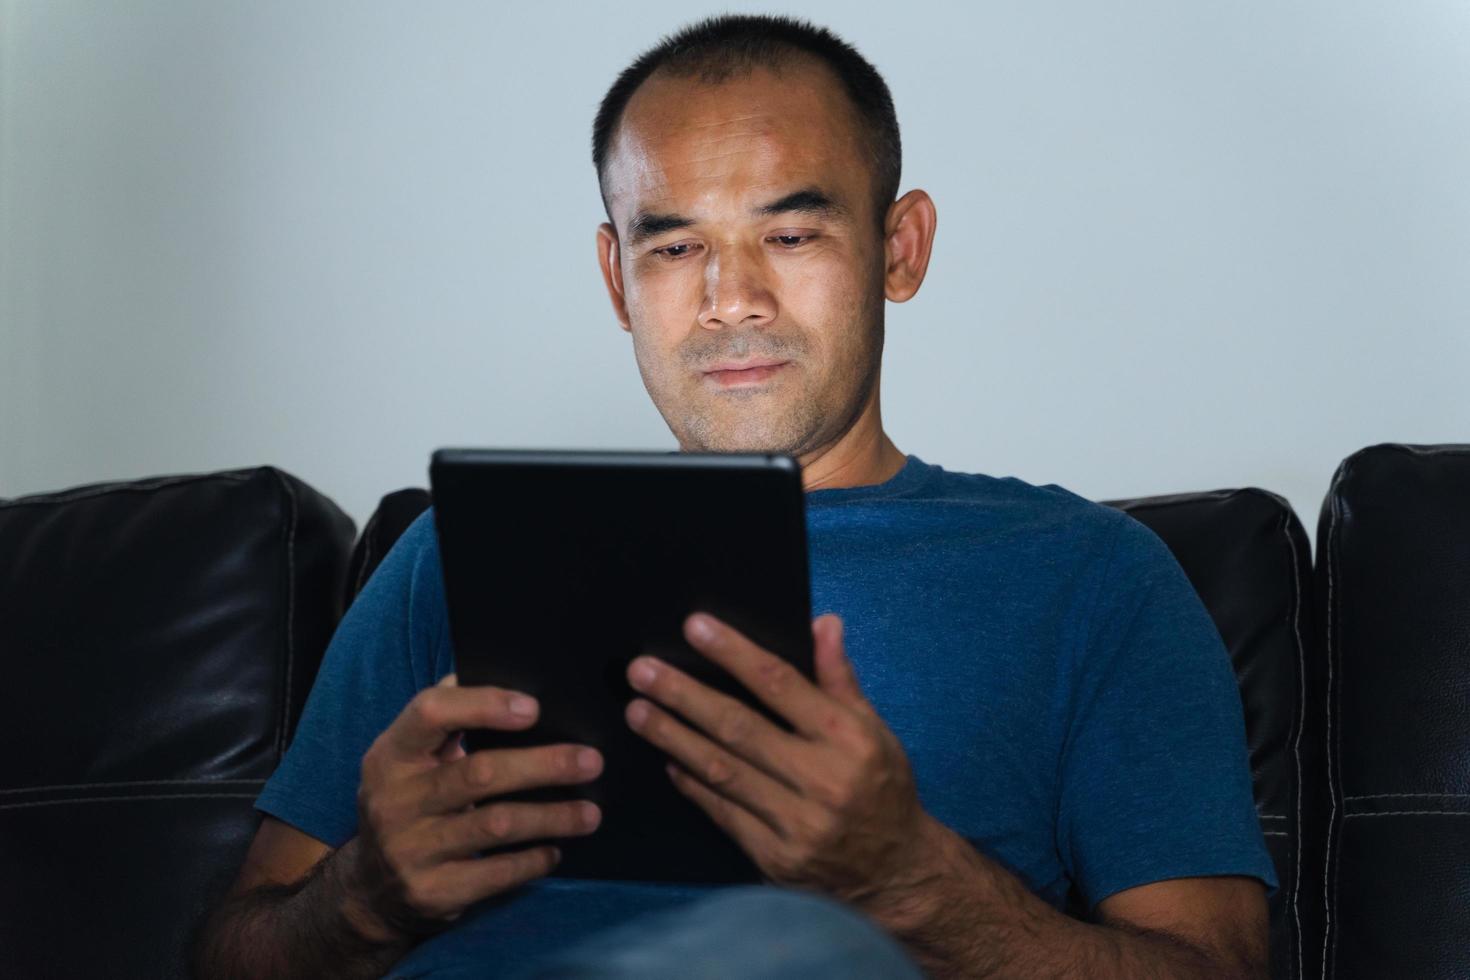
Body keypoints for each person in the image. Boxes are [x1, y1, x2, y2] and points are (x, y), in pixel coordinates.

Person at [196, 14, 1276, 979]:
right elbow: (236, 950)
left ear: (900, 250)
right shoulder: (455, 555)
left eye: (792, 233)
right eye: (675, 246)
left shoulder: (1094, 576)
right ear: (619, 279)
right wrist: (366, 896)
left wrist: (908, 877)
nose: (731, 300)